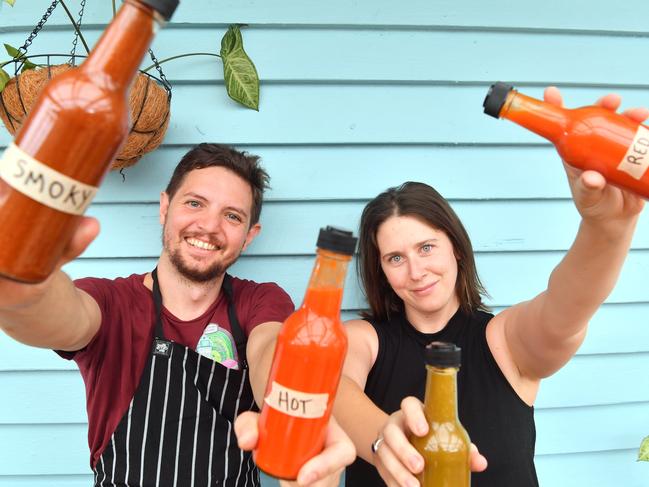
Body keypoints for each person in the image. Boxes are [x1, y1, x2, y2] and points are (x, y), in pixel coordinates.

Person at [334, 88, 647, 486]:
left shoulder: (502, 340)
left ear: (457, 251)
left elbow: (565, 311)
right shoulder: (363, 340)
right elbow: (332, 389)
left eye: (427, 247)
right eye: (395, 258)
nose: (415, 271)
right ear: (381, 271)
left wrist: (607, 229)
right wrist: (382, 438)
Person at [0, 143, 353, 487]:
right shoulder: (111, 302)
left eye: (232, 216)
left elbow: (273, 356)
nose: (209, 226)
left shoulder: (259, 301)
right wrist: (26, 284)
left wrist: (300, 412)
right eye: (195, 203)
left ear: (249, 236)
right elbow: (54, 315)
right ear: (165, 207)